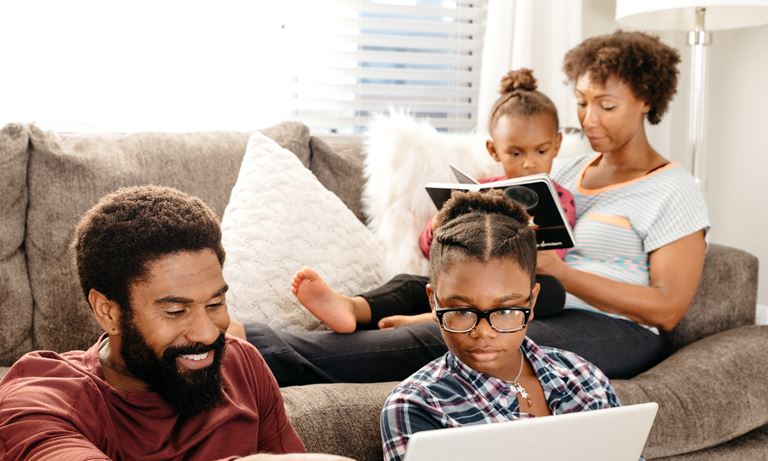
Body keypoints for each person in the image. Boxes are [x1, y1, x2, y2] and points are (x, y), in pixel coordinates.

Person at [244, 30, 709, 384]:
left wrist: (562, 274)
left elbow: (667, 309)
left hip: (615, 329)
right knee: (420, 283)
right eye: (583, 103)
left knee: (466, 333)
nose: (588, 120)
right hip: (528, 297)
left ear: (646, 99)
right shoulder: (564, 172)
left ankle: (257, 351)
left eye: (606, 106)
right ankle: (346, 314)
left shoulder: (674, 188)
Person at [0, 186, 413, 461]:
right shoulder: (39, 394)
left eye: (215, 303)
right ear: (107, 311)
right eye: (176, 312)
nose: (207, 332)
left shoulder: (242, 367)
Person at [380, 189, 685, 461]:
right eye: (461, 310)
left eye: (507, 310)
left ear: (532, 301)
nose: (484, 332)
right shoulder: (416, 406)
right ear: (433, 301)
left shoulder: (584, 379)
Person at [290, 68, 575, 334]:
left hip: (511, 288)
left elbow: (555, 258)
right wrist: (437, 225)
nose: (528, 164)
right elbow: (430, 250)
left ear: (558, 145)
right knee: (409, 285)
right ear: (493, 150)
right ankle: (351, 307)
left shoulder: (561, 198)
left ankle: (425, 320)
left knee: (552, 291)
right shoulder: (479, 190)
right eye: (515, 153)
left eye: (540, 151)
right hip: (465, 277)